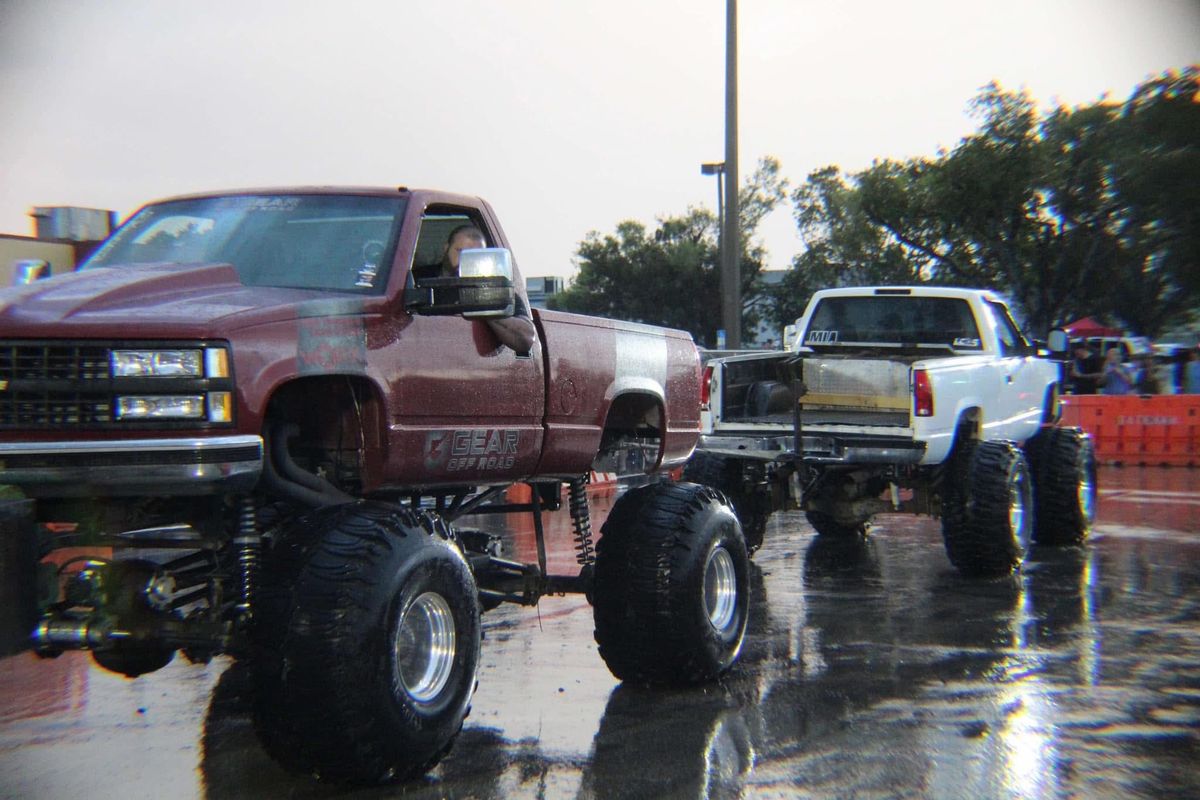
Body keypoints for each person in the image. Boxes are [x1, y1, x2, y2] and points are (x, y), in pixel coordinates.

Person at [421, 225, 537, 355]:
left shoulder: (496, 290)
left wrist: (484, 306)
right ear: (446, 248)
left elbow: (526, 338)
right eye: (460, 252)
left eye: (474, 256)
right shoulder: (418, 279)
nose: (465, 260)